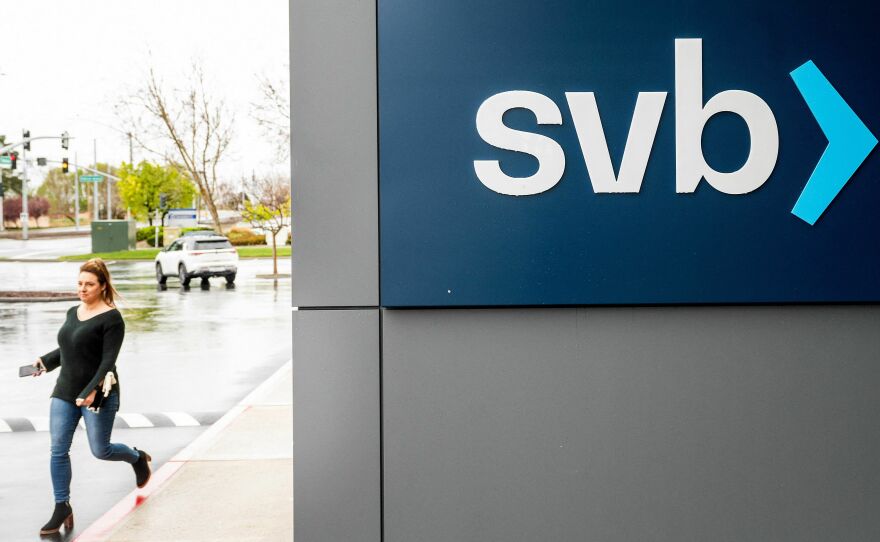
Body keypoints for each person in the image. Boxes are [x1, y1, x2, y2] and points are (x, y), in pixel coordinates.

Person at [30, 258, 152, 536]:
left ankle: (136, 458)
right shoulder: (74, 312)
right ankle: (62, 506)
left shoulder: (112, 318)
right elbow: (69, 349)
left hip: (100, 394)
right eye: (80, 283)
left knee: (101, 450)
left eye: (89, 284)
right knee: (58, 450)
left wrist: (89, 392)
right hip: (64, 391)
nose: (82, 289)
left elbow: (107, 361)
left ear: (102, 286)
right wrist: (44, 362)